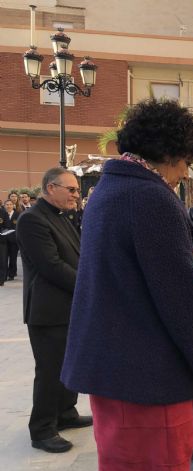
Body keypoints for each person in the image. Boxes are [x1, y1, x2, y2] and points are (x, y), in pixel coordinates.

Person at [61, 99, 193, 471]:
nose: (184, 172)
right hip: (150, 376)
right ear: (169, 152)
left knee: (120, 469)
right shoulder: (150, 197)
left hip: (113, 370)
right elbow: (180, 295)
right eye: (185, 160)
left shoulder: (106, 191)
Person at [16, 168, 92, 454]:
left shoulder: (63, 217)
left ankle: (65, 412)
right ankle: (43, 429)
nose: (76, 195)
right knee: (50, 369)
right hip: (48, 310)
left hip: (69, 306)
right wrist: (89, 285)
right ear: (50, 188)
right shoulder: (32, 219)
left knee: (68, 363)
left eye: (76, 190)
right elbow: (51, 266)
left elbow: (79, 256)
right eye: (71, 189)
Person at [3, 200, 20, 280]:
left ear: (13, 205)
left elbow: (20, 227)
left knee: (13, 258)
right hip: (4, 240)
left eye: (10, 204)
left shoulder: (18, 214)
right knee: (4, 258)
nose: (9, 206)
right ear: (4, 205)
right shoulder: (2, 214)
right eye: (7, 204)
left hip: (14, 240)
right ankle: (4, 274)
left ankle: (12, 274)